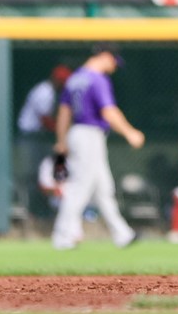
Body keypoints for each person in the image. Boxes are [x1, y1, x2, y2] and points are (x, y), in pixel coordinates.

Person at [51, 42, 145, 250]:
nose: (114, 66)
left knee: (103, 188)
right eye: (113, 60)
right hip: (89, 134)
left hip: (78, 132)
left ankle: (122, 233)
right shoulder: (97, 79)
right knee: (80, 186)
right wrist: (130, 132)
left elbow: (64, 113)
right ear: (104, 55)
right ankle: (63, 235)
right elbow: (109, 112)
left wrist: (61, 140)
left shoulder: (75, 79)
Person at [17, 64, 71, 213]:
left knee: (52, 170)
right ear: (55, 79)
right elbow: (45, 120)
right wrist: (62, 132)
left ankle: (46, 206)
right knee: (34, 173)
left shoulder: (52, 92)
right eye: (61, 81)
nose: (63, 84)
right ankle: (35, 207)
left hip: (39, 137)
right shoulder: (44, 91)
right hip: (31, 136)